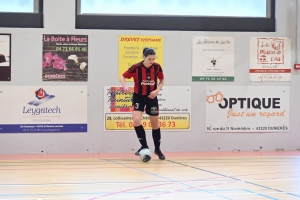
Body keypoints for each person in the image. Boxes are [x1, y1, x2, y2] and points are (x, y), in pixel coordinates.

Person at [119, 47, 165, 161]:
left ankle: (157, 149)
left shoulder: (157, 67)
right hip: (138, 97)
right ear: (144, 57)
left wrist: (157, 91)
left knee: (155, 124)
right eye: (149, 59)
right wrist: (125, 86)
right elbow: (122, 76)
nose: (151, 61)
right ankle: (144, 146)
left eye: (153, 59)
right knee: (136, 120)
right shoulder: (136, 67)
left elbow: (162, 80)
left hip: (152, 97)